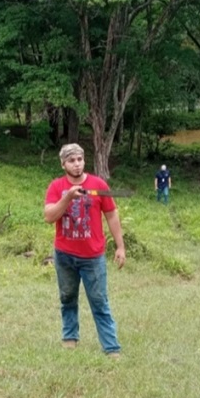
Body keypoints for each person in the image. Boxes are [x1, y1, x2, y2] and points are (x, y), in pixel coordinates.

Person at [44, 144, 126, 358]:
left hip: (93, 257)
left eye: (80, 159)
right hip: (64, 255)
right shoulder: (56, 186)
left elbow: (111, 215)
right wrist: (68, 197)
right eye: (71, 160)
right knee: (67, 298)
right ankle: (70, 339)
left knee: (99, 302)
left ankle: (111, 348)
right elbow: (49, 216)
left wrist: (120, 246)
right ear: (63, 164)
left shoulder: (98, 184)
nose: (77, 164)